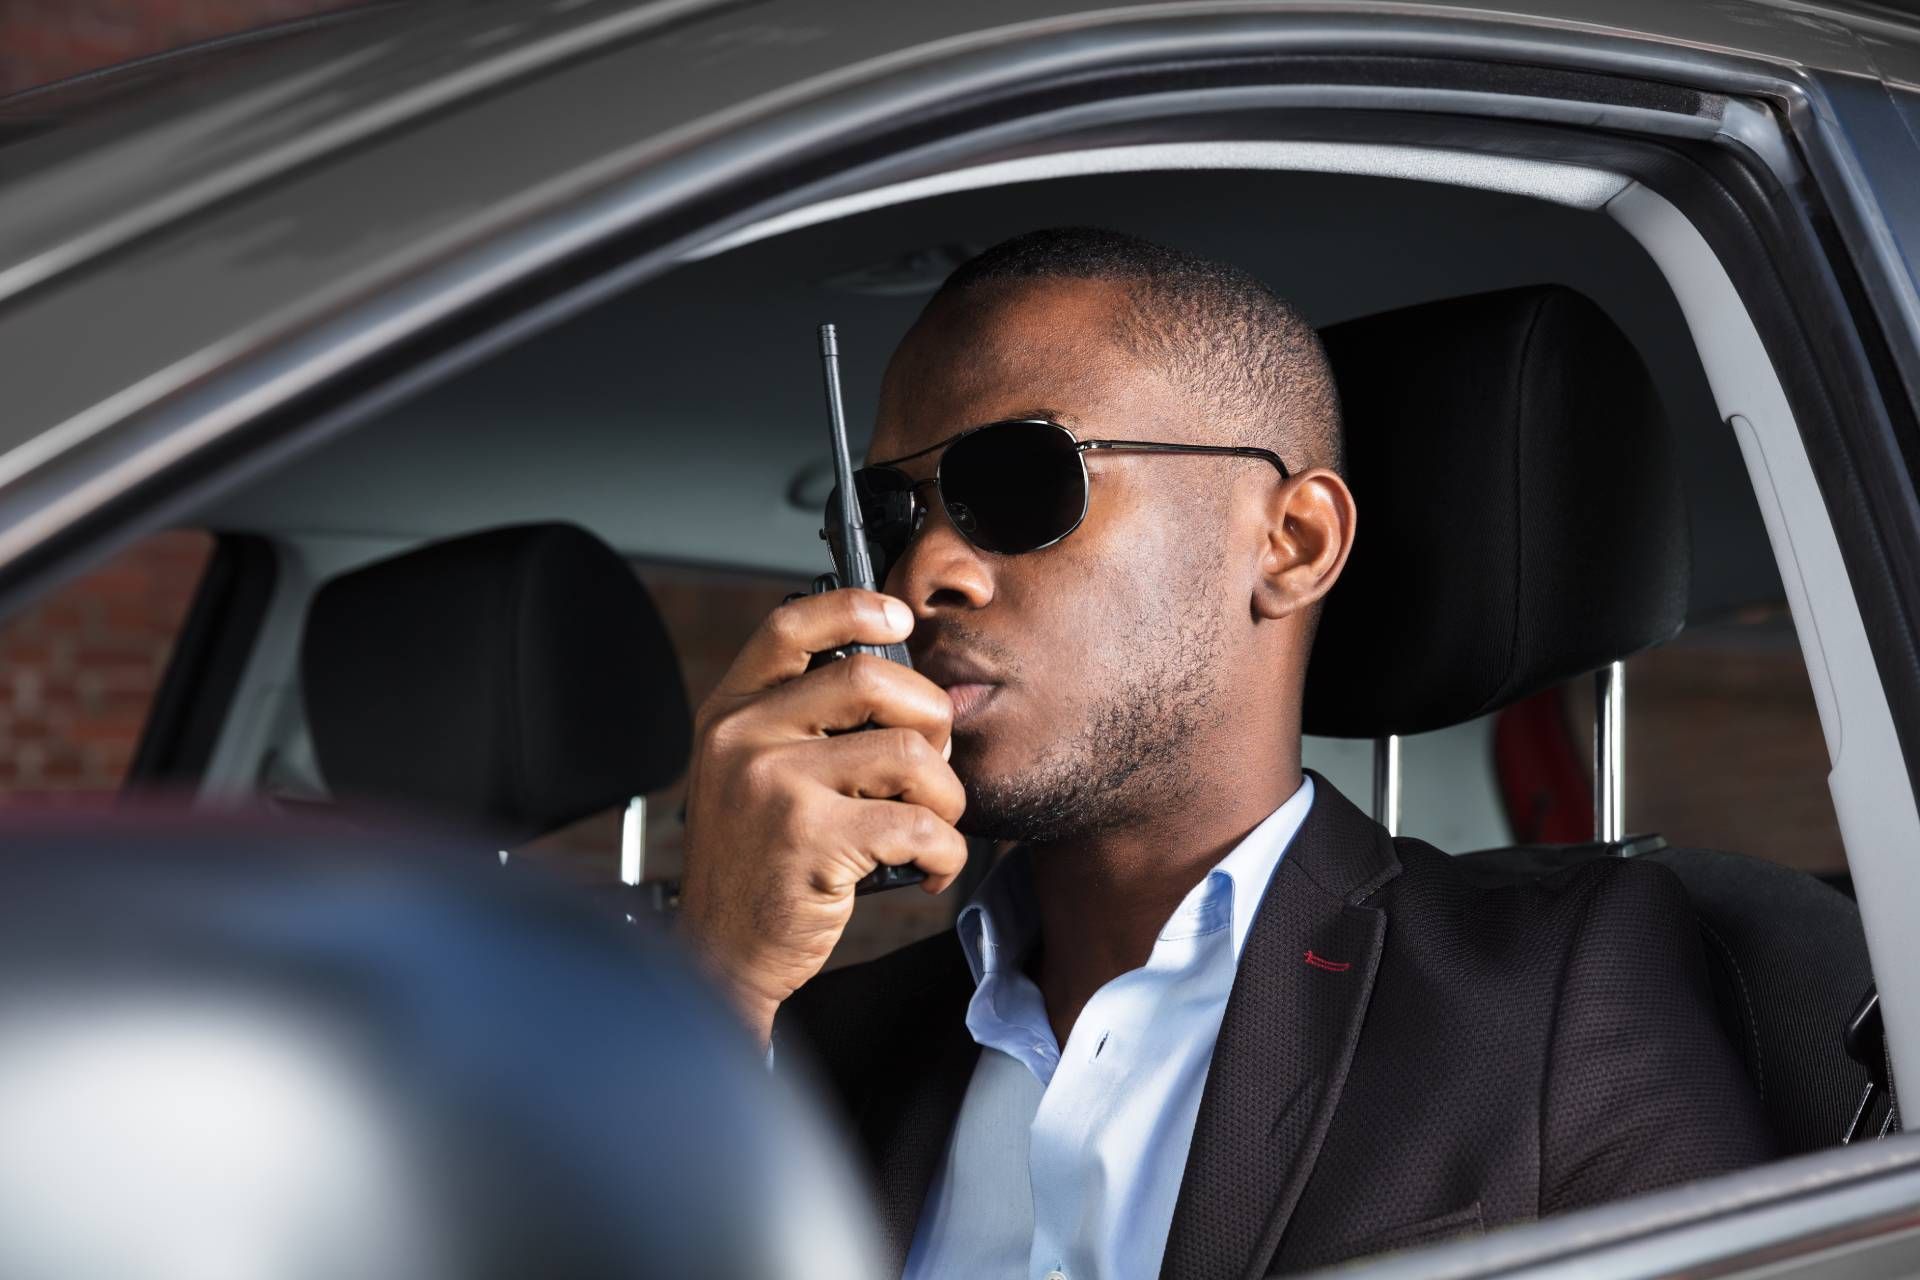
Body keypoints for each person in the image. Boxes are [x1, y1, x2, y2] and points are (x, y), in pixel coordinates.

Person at [677, 227, 1771, 1279]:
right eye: (888, 517)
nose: (924, 576)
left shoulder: (1555, 991)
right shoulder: (797, 1036)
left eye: (1020, 483)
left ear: (1292, 543)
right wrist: (715, 980)